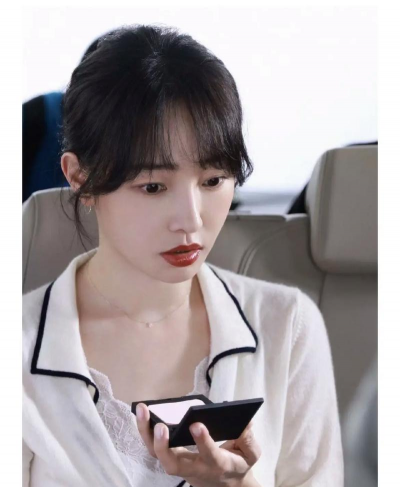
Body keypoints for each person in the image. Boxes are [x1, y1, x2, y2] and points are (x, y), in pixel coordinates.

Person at [22, 25, 343, 487]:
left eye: (213, 181)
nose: (191, 220)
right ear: (80, 178)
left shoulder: (288, 325)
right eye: (153, 187)